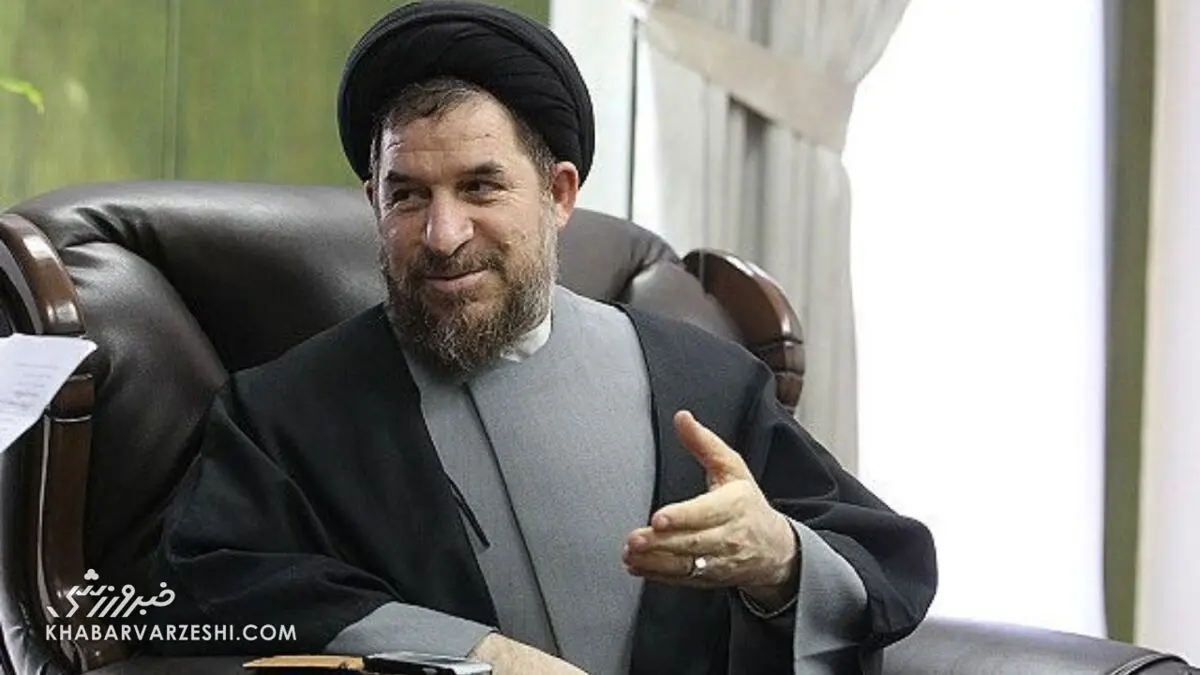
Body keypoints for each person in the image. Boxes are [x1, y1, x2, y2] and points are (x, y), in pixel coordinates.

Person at [149, 2, 936, 673]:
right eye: (408, 195)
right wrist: (472, 656)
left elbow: (881, 559)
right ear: (374, 204)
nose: (443, 233)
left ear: (558, 194)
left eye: (480, 186)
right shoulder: (283, 414)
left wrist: (779, 559)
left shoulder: (704, 382)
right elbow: (202, 595)